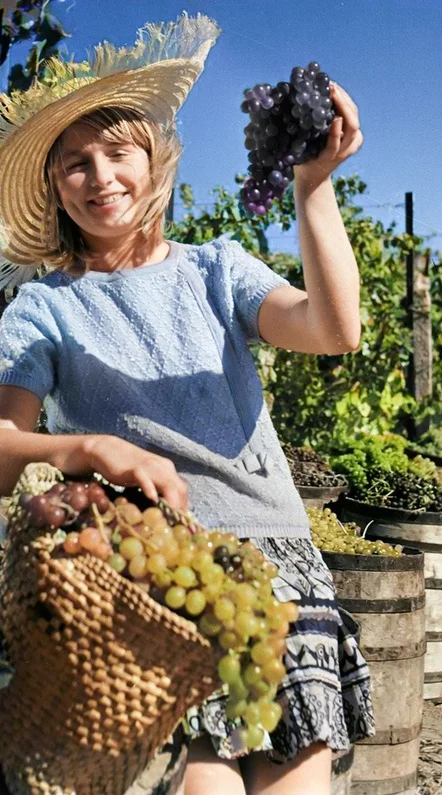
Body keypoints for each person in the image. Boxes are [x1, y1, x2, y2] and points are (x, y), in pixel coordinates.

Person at [0, 13, 374, 795]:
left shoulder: (216, 269)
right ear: (54, 189)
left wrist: (314, 188)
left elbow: (334, 328)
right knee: (206, 786)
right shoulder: (44, 309)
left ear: (155, 160)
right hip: (154, 588)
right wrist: (85, 448)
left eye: (118, 153)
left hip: (279, 570)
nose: (100, 176)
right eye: (75, 164)